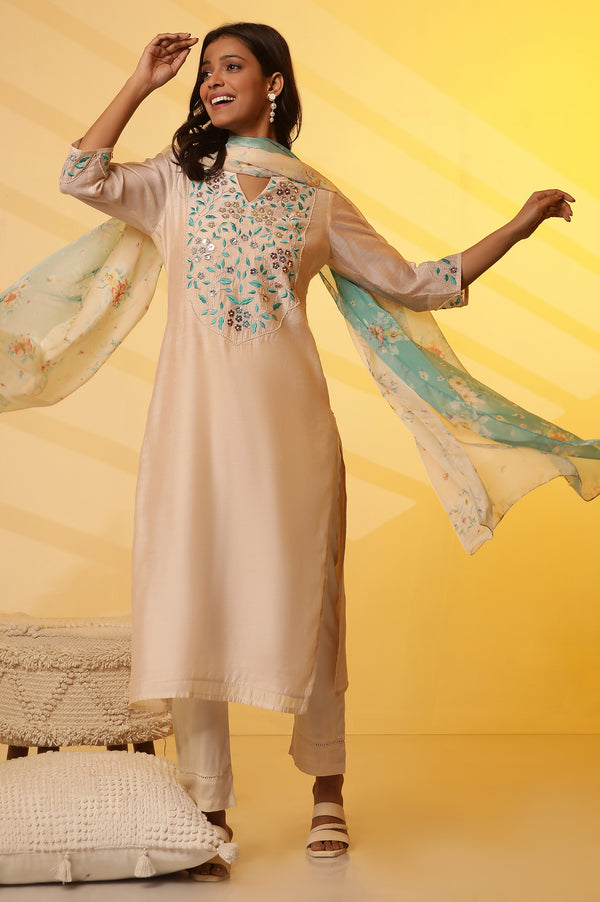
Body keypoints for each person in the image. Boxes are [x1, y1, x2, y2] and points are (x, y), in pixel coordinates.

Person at [52, 23, 585, 880]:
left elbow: (420, 284)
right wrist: (141, 82)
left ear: (274, 83)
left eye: (231, 67)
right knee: (190, 596)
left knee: (310, 604)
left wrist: (519, 225)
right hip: (190, 432)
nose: (212, 81)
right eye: (206, 71)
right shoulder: (176, 183)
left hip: (289, 434)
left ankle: (328, 789)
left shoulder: (318, 200)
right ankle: (207, 803)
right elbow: (82, 174)